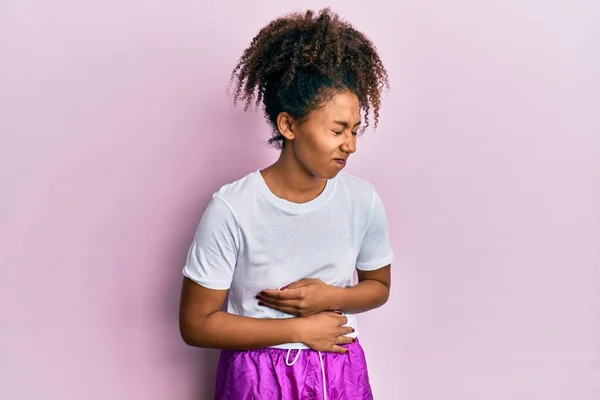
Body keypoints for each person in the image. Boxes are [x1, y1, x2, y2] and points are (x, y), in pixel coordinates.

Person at [179, 8, 392, 400]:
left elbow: (378, 286)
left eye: (355, 130)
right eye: (337, 130)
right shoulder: (233, 208)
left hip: (339, 372)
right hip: (257, 378)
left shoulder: (362, 200)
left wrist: (332, 297)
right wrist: (298, 330)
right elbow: (196, 324)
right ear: (288, 126)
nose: (351, 144)